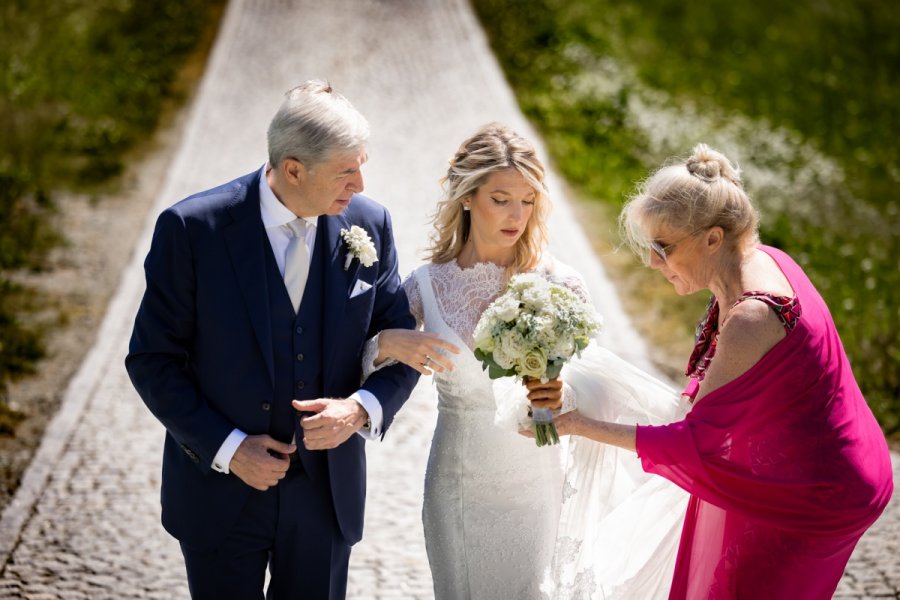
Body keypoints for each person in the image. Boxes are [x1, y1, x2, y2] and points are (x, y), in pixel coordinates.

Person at [555, 143, 894, 599]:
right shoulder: (759, 258)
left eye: (663, 247)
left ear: (713, 238)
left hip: (822, 491)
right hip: (808, 464)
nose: (653, 262)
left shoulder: (753, 316)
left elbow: (695, 445)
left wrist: (579, 425)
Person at [364, 123, 689, 599]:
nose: (516, 214)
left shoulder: (560, 281)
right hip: (456, 483)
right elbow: (361, 360)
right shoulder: (425, 285)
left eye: (528, 200)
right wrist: (389, 343)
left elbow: (595, 383)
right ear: (467, 196)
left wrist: (563, 394)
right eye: (501, 199)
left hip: (535, 485)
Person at [125, 80, 419, 599]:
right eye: (346, 170)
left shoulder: (370, 224)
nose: (360, 183)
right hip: (220, 492)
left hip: (325, 494)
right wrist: (231, 449)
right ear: (293, 169)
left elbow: (401, 345)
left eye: (361, 164)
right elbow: (152, 360)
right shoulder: (193, 230)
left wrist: (359, 410)